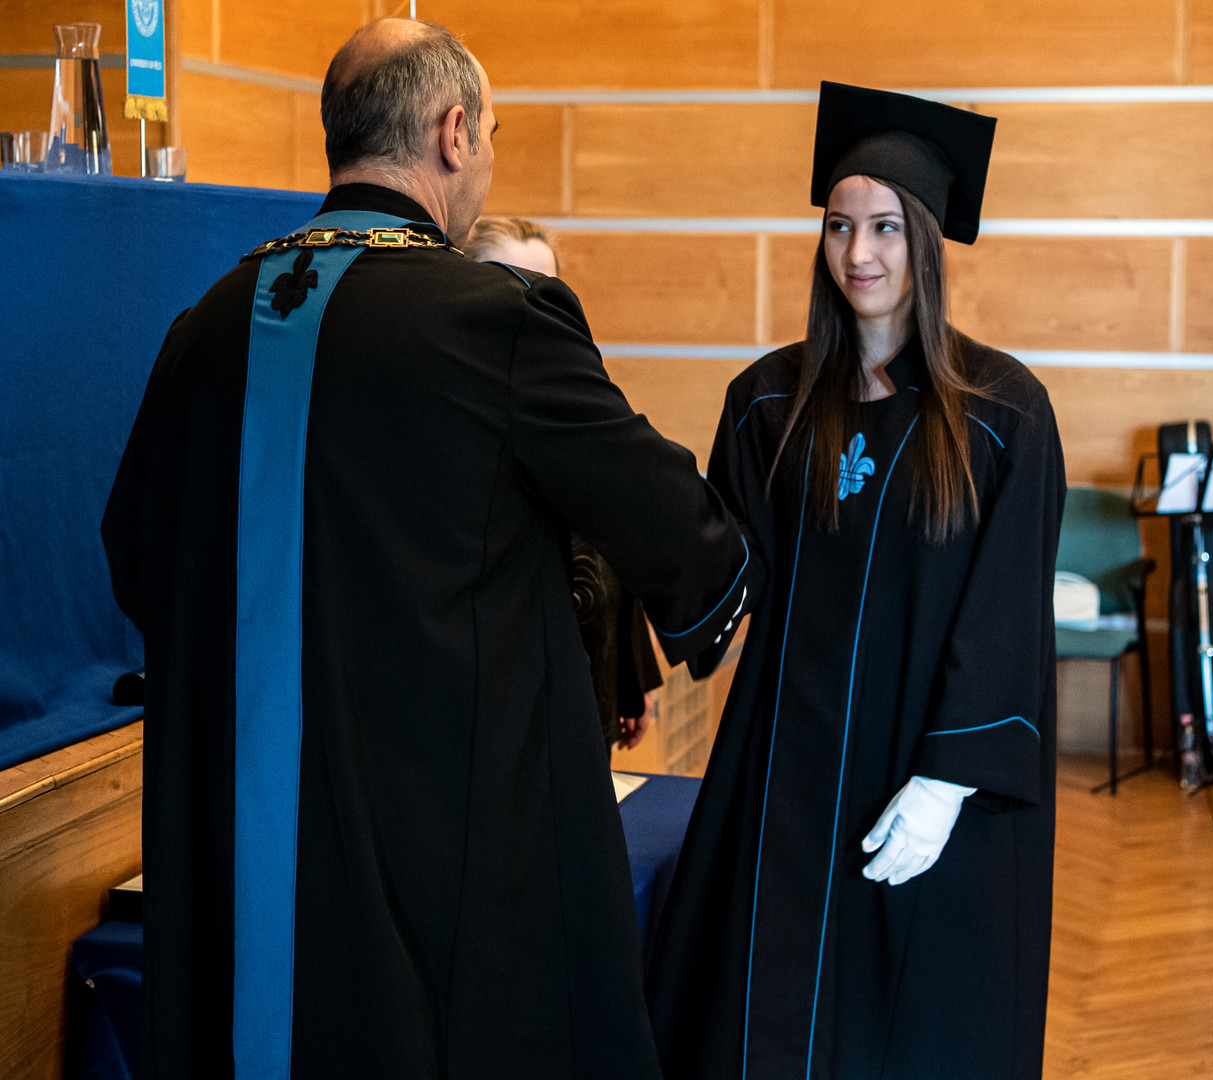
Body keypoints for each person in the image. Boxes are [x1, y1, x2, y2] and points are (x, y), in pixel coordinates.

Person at [100, 20, 755, 1080]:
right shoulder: (498, 321)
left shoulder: (203, 328)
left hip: (241, 841)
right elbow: (682, 530)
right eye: (490, 132)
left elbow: (135, 559)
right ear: (454, 134)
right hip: (438, 844)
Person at [645, 82, 1064, 1080]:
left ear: (927, 242)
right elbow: (727, 562)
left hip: (926, 778)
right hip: (782, 768)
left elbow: (1007, 608)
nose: (859, 254)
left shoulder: (1004, 412)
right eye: (839, 226)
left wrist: (948, 780)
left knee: (912, 1022)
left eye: (885, 228)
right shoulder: (767, 401)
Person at [466, 216, 661, 754]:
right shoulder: (453, 407)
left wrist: (633, 676)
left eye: (545, 290)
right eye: (508, 284)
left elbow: (614, 533)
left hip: (585, 679)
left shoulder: (579, 396)